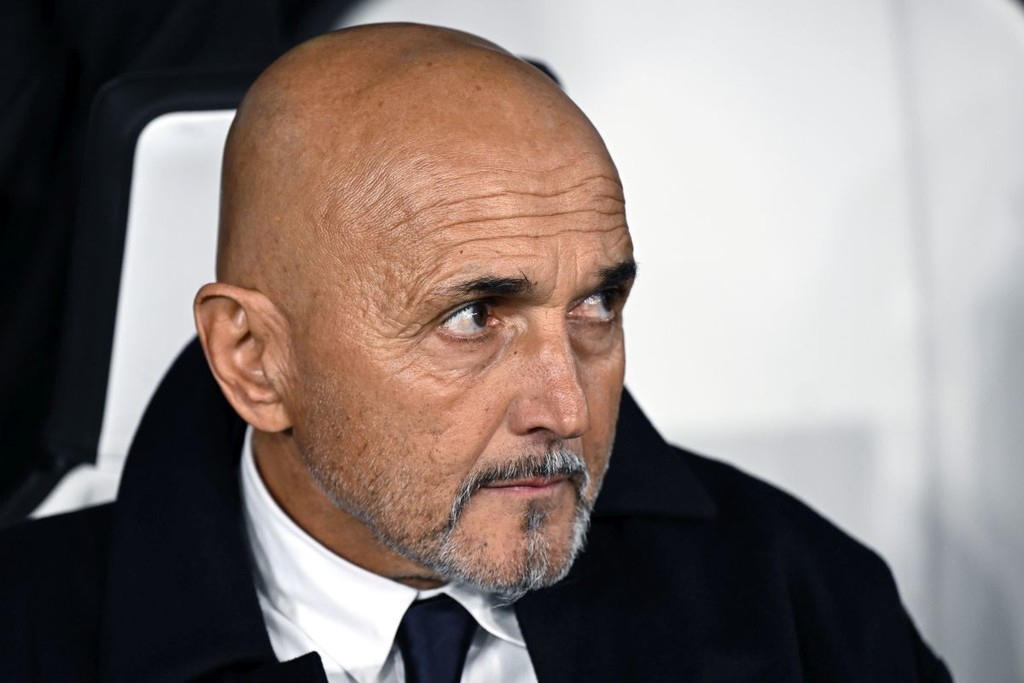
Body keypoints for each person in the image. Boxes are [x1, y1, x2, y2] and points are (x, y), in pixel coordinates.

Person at [0, 23, 952, 682]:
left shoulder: (798, 598)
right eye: (473, 316)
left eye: (596, 304)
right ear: (253, 358)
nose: (565, 409)